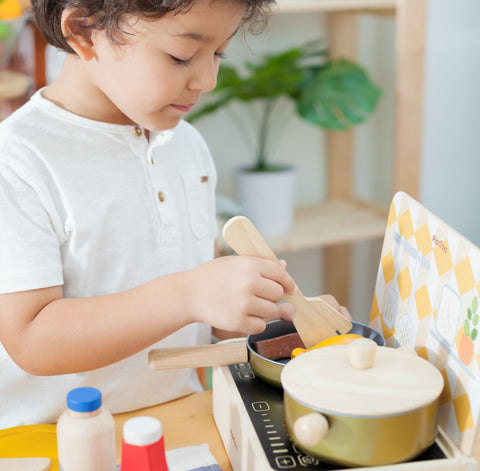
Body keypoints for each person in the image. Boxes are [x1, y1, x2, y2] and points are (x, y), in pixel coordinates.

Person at [0, 0, 351, 428]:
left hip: (181, 420)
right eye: (181, 56)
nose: (208, 79)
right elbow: (31, 340)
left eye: (220, 52)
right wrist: (188, 294)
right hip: (54, 440)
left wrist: (262, 317)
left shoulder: (187, 146)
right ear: (85, 31)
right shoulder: (18, 161)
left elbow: (191, 306)